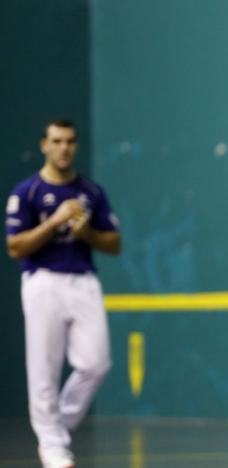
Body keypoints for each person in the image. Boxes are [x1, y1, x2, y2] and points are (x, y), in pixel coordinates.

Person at [5, 119, 122, 468]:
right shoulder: (26, 192)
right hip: (42, 281)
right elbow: (15, 247)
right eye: (56, 141)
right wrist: (54, 222)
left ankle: (58, 428)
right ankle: (53, 447)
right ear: (44, 145)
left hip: (83, 280)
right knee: (44, 367)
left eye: (70, 141)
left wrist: (86, 232)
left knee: (96, 363)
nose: (64, 148)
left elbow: (114, 243)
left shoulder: (92, 192)